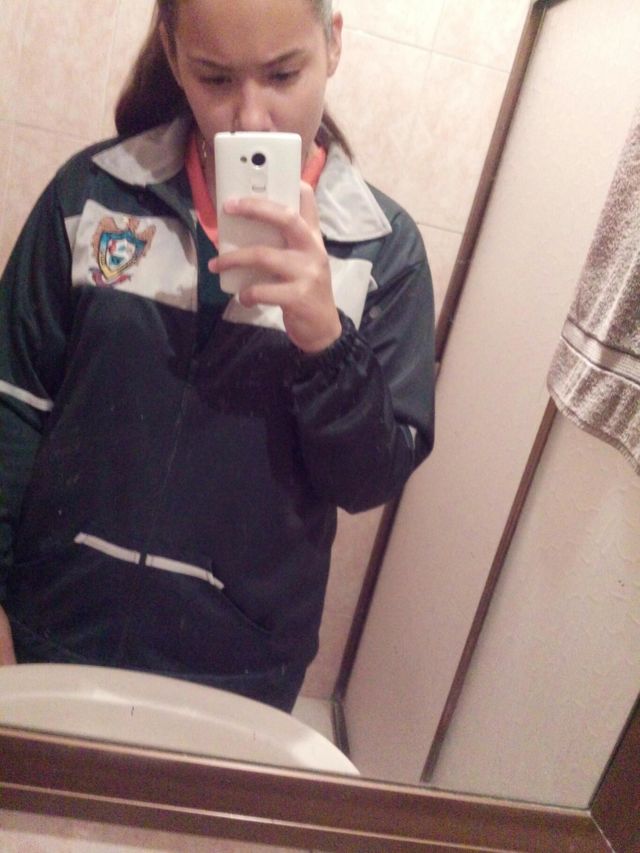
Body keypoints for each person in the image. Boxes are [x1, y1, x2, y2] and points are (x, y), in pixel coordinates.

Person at [0, 0, 434, 711]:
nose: (251, 118)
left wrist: (327, 343)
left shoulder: (383, 250)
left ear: (333, 44)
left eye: (283, 75)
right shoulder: (93, 195)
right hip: (52, 628)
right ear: (174, 56)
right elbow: (12, 403)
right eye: (215, 78)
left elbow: (368, 480)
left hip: (240, 670)